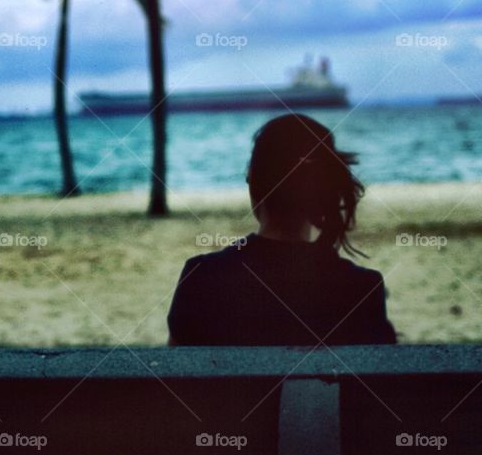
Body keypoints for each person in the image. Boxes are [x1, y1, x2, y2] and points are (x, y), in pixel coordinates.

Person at [167, 113, 396, 346]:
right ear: (324, 192)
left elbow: (175, 375)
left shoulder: (202, 276)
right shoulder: (362, 288)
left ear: (253, 182)